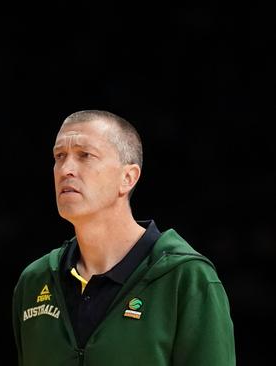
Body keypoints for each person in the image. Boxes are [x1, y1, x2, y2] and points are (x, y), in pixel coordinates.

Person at [12, 110, 235, 365]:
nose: (66, 169)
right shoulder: (34, 281)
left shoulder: (186, 278)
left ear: (128, 178)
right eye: (59, 156)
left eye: (85, 155)